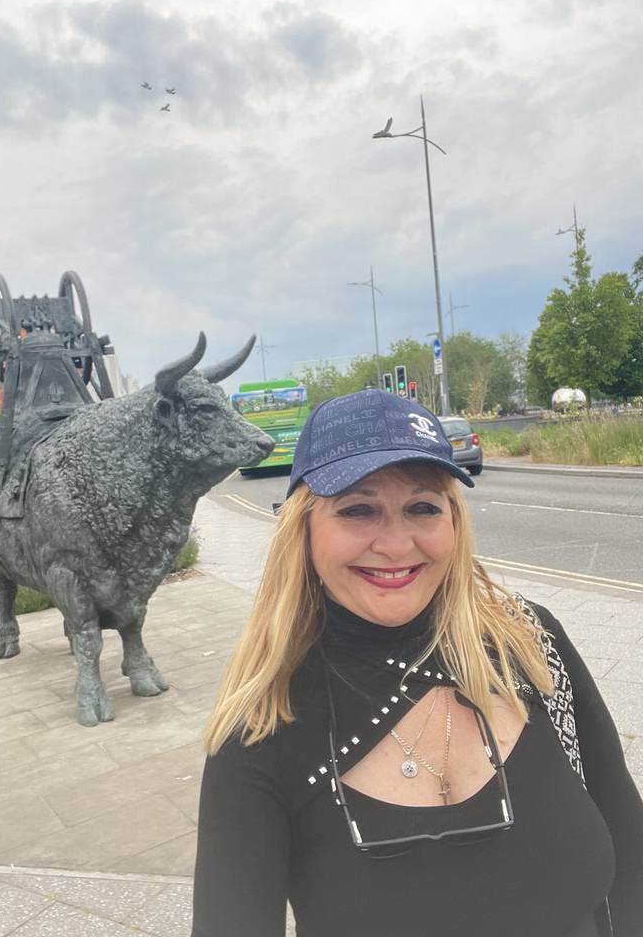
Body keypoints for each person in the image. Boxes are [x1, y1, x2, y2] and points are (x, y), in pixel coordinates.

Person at [192, 390, 643, 937]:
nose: (396, 542)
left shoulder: (528, 643)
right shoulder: (260, 731)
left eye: (423, 507)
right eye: (358, 509)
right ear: (303, 531)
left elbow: (629, 845)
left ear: (454, 520)